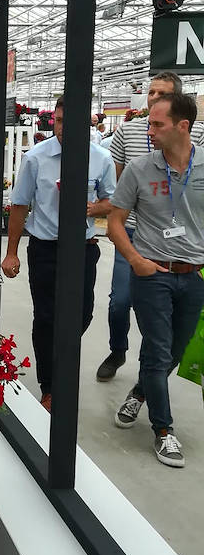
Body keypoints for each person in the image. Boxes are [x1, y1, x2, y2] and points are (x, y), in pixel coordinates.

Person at [107, 92, 204, 467]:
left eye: (157, 124)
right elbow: (115, 220)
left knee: (173, 354)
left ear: (183, 126)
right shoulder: (139, 169)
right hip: (152, 273)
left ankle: (139, 391)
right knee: (158, 348)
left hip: (193, 275)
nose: (149, 131)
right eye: (149, 123)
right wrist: (135, 260)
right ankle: (163, 430)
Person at [2, 96, 116, 412]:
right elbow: (20, 206)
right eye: (60, 121)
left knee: (83, 313)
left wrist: (93, 208)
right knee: (47, 316)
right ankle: (50, 386)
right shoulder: (36, 159)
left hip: (83, 249)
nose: (65, 128)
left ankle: (59, 354)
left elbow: (112, 201)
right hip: (45, 249)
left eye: (72, 122)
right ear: (54, 120)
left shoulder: (101, 159)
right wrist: (11, 253)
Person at [96, 72, 204, 381]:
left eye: (162, 94)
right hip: (131, 229)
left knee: (163, 329)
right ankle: (118, 350)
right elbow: (113, 186)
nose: (154, 98)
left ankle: (148, 379)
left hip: (176, 237)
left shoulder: (195, 134)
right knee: (119, 302)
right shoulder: (128, 132)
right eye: (151, 92)